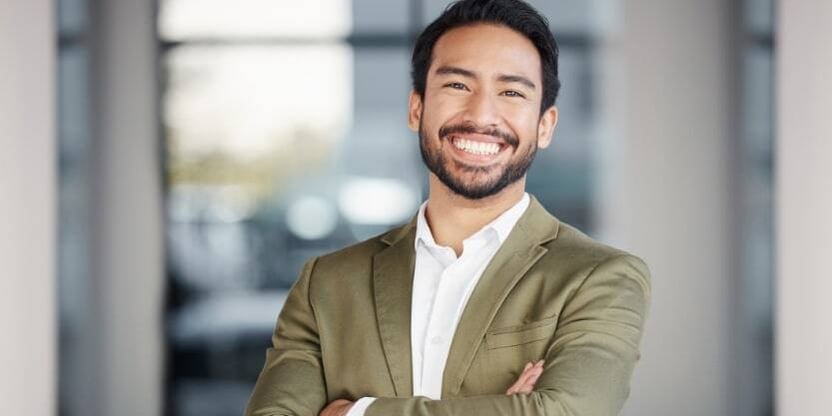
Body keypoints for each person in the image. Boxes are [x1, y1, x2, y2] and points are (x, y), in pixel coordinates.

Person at [245, 0, 651, 415]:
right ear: (416, 109)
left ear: (544, 125)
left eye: (511, 92)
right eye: (458, 85)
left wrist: (355, 412)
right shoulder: (326, 285)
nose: (481, 114)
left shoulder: (599, 278)